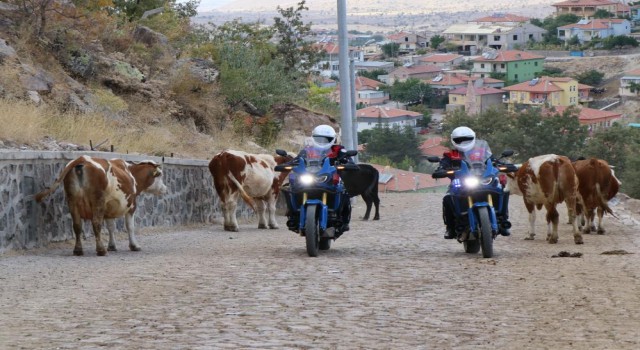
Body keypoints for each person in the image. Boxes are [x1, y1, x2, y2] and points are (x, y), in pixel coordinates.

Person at [434, 126, 511, 239]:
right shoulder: (450, 155)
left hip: (484, 180)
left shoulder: (482, 151)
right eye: (459, 140)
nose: (463, 142)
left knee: (502, 191)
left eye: (467, 139)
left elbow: (493, 160)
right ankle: (450, 228)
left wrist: (503, 165)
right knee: (448, 198)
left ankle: (503, 220)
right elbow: (443, 165)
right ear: (453, 140)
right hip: (461, 184)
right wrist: (441, 170)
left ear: (473, 138)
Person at [288, 125, 353, 233]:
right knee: (290, 189)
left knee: (344, 193)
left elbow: (348, 159)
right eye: (319, 138)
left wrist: (349, 163)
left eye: (326, 139)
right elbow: (296, 160)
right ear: (313, 138)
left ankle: (344, 221)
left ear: (333, 139)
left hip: (331, 179)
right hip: (310, 177)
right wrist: (288, 164)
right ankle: (292, 215)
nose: (322, 141)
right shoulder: (307, 150)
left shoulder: (339, 149)